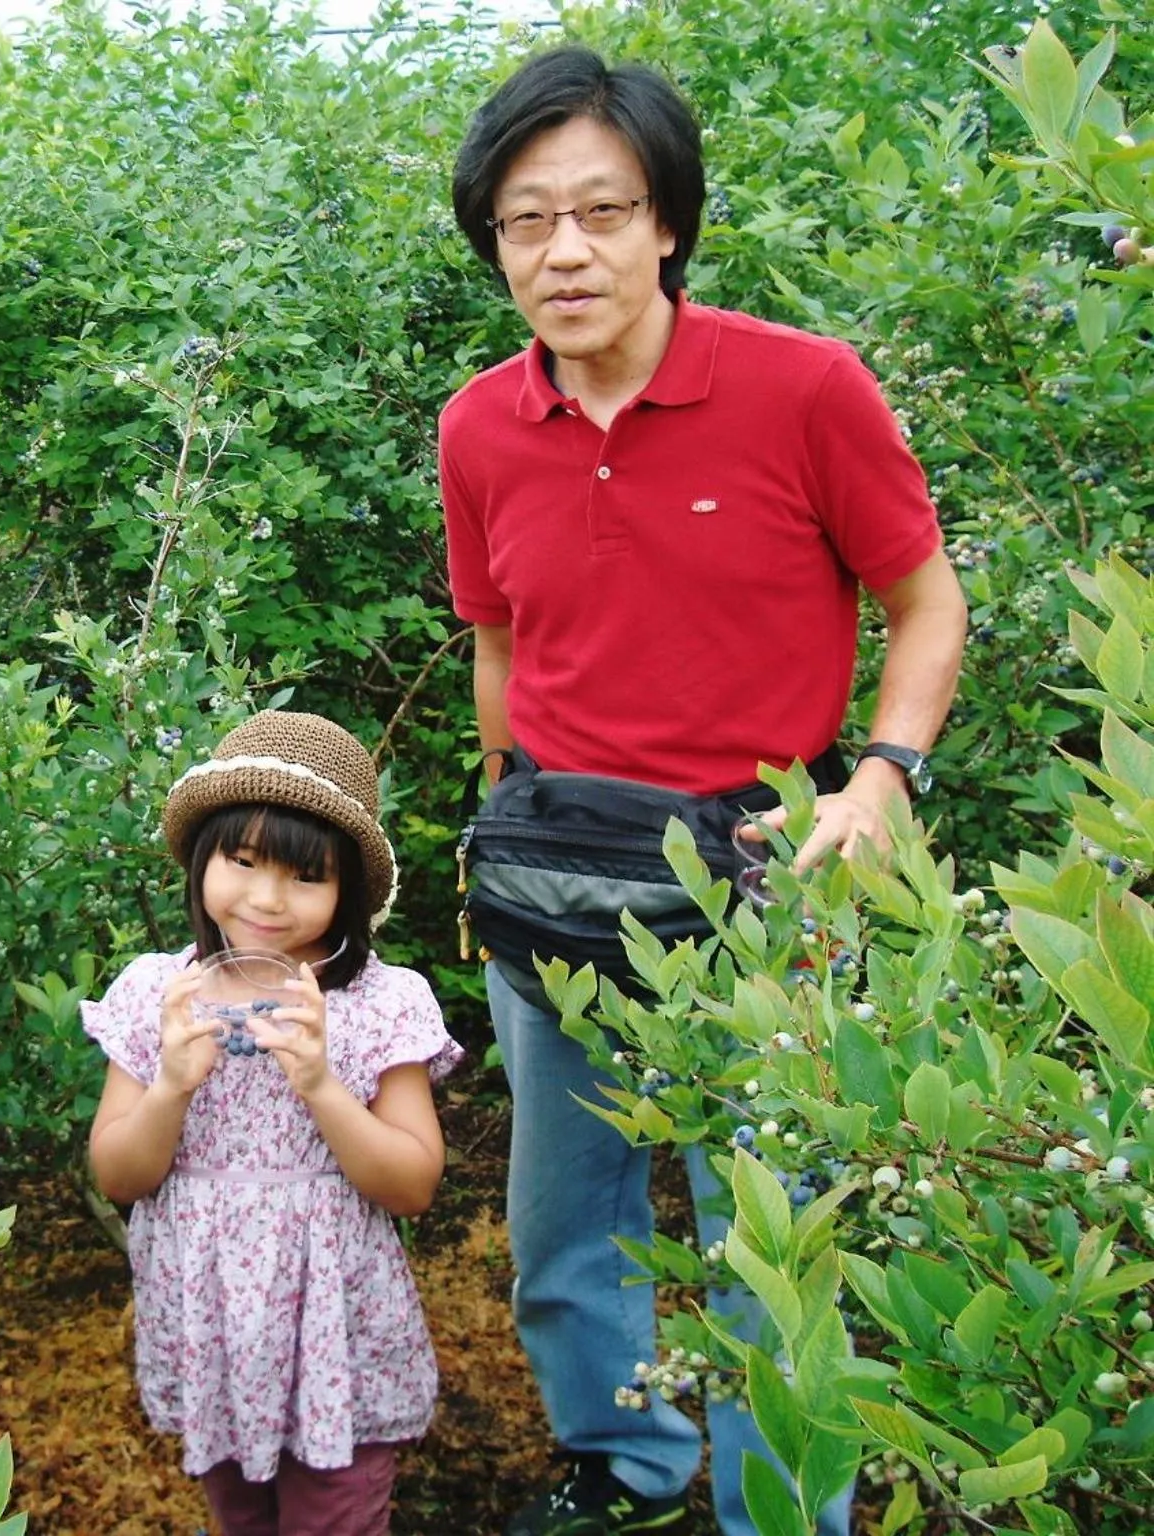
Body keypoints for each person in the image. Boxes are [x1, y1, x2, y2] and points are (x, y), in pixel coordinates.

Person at [440, 45, 968, 1536]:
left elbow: (925, 599)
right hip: (556, 865)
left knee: (773, 1237)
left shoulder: (803, 388)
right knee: (562, 1219)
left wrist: (881, 782)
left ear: (665, 221)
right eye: (526, 221)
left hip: (765, 869)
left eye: (601, 210)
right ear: (494, 244)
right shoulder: (479, 424)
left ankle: (781, 1507)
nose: (564, 251)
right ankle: (623, 1461)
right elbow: (498, 637)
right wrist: (501, 811)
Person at [84, 710, 462, 1536]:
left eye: (305, 876)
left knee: (336, 1514)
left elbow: (412, 1186)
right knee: (239, 1516)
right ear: (203, 857)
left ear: (347, 890)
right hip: (211, 1327)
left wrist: (321, 1084)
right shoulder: (157, 994)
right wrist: (170, 1087)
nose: (265, 898)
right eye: (243, 861)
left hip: (338, 1332)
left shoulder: (380, 1004)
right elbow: (119, 1175)